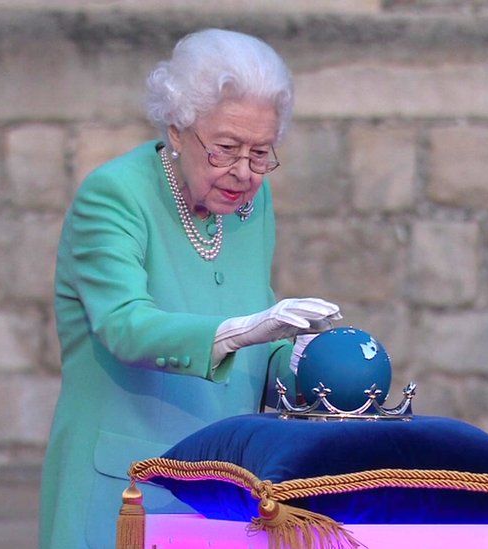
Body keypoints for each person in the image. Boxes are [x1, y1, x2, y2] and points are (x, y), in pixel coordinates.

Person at [38, 29, 341, 549]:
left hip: (224, 494)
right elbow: (125, 325)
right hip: (125, 491)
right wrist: (244, 329)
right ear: (178, 129)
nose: (244, 173)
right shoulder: (114, 196)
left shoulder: (250, 205)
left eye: (262, 153)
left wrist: (308, 364)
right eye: (226, 149)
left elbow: (255, 339)